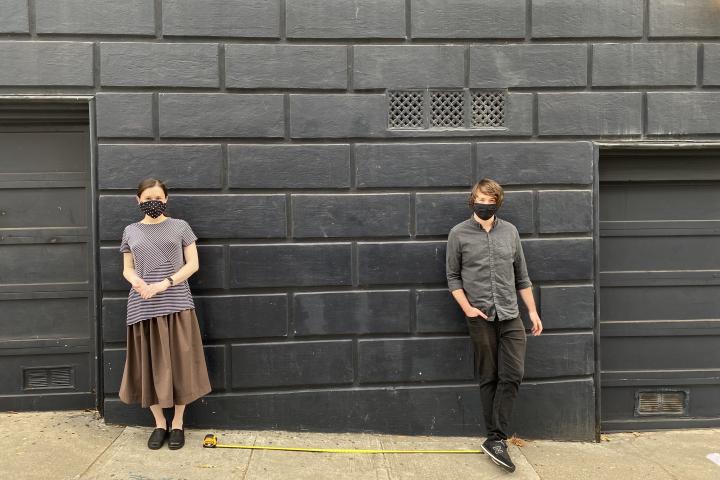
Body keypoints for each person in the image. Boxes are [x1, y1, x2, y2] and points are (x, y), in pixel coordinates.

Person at [446, 178, 543, 473]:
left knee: (512, 374)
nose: (484, 205)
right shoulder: (458, 234)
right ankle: (496, 438)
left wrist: (533, 312)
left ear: (497, 203)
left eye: (490, 202)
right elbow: (453, 278)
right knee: (488, 375)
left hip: (510, 314)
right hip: (480, 316)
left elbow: (522, 277)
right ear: (471, 200)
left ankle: (495, 437)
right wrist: (468, 309)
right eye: (480, 200)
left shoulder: (510, 232)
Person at [118, 178, 211, 450]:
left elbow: (192, 264)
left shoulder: (180, 227)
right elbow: (127, 267)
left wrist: (165, 283)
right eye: (147, 198)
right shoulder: (130, 231)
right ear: (138, 200)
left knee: (181, 365)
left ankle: (178, 423)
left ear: (166, 199)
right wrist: (136, 281)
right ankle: (159, 423)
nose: (153, 202)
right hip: (142, 307)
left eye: (158, 197)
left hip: (177, 305)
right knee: (149, 366)